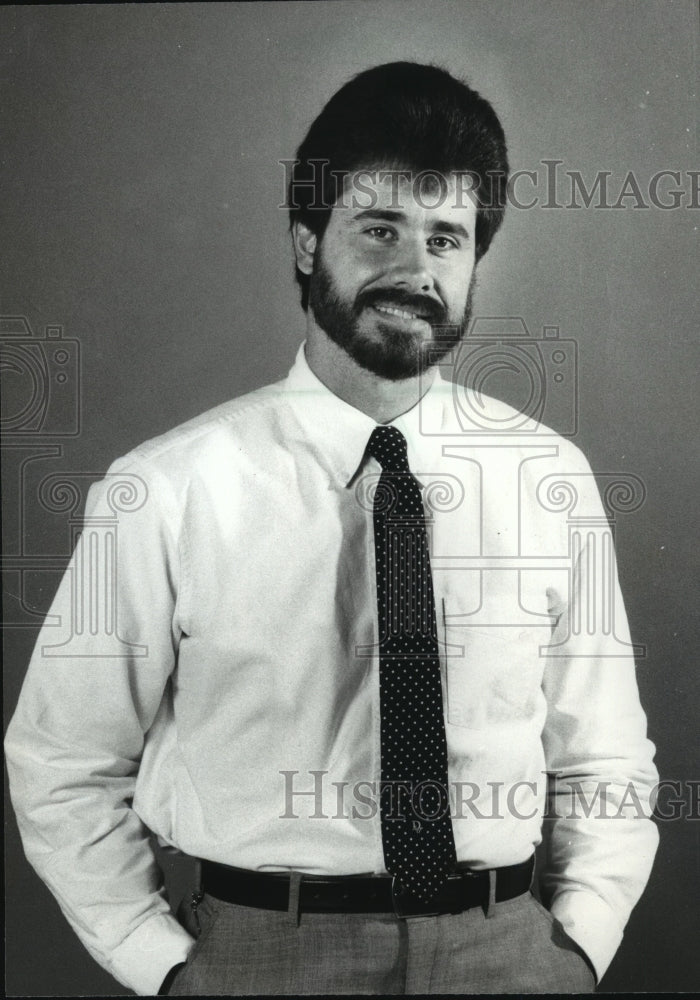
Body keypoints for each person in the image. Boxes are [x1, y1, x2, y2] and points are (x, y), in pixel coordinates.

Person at [6, 61, 658, 996]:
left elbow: (606, 755)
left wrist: (578, 948)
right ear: (307, 241)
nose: (416, 270)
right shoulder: (163, 492)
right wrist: (167, 970)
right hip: (260, 958)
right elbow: (62, 761)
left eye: (445, 238)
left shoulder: (549, 478)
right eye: (379, 228)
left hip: (509, 956)